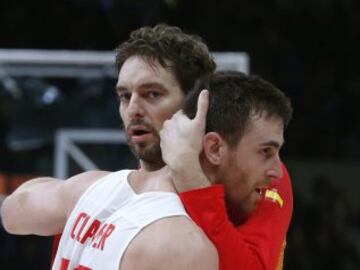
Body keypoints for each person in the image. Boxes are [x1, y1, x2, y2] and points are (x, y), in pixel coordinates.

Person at [1, 24, 293, 270]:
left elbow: (13, 209)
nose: (133, 110)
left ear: (198, 104)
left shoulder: (89, 188)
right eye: (124, 97)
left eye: (152, 94)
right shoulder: (184, 243)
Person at [161, 71, 293, 270]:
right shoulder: (150, 195)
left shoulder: (273, 185)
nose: (278, 171)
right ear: (214, 148)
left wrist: (188, 173)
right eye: (266, 151)